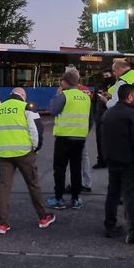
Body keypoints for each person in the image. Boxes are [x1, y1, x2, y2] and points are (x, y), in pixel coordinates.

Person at [0, 87, 56, 234]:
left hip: (4, 154)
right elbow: (36, 130)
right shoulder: (26, 107)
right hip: (24, 153)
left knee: (4, 187)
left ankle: (2, 224)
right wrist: (35, 148)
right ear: (22, 95)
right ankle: (43, 217)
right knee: (33, 184)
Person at [101, 84, 134, 244]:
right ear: (129, 97)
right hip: (130, 163)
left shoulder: (109, 113)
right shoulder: (133, 115)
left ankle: (110, 225)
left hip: (113, 160)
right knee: (131, 198)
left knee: (113, 194)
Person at [47, 68, 90, 210]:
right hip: (80, 137)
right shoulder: (85, 97)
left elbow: (53, 110)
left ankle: (59, 198)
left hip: (64, 137)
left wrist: (57, 94)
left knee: (59, 169)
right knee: (76, 168)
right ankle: (76, 199)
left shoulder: (64, 95)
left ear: (65, 82)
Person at [92, 69, 113, 169]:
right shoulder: (99, 86)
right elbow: (94, 101)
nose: (106, 77)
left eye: (107, 75)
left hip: (111, 117)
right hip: (100, 117)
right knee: (100, 140)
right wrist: (94, 114)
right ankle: (101, 161)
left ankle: (111, 160)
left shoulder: (115, 86)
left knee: (111, 141)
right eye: (104, 75)